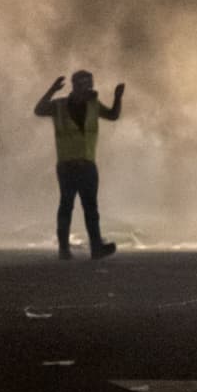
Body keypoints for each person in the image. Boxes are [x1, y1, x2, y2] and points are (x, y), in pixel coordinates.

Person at [33, 70, 124, 260]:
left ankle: (96, 247)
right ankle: (64, 249)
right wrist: (52, 90)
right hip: (67, 164)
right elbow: (39, 110)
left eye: (89, 84)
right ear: (75, 86)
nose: (88, 88)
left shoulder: (93, 105)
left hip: (87, 163)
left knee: (90, 208)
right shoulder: (59, 105)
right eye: (84, 84)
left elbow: (113, 115)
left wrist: (117, 97)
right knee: (67, 206)